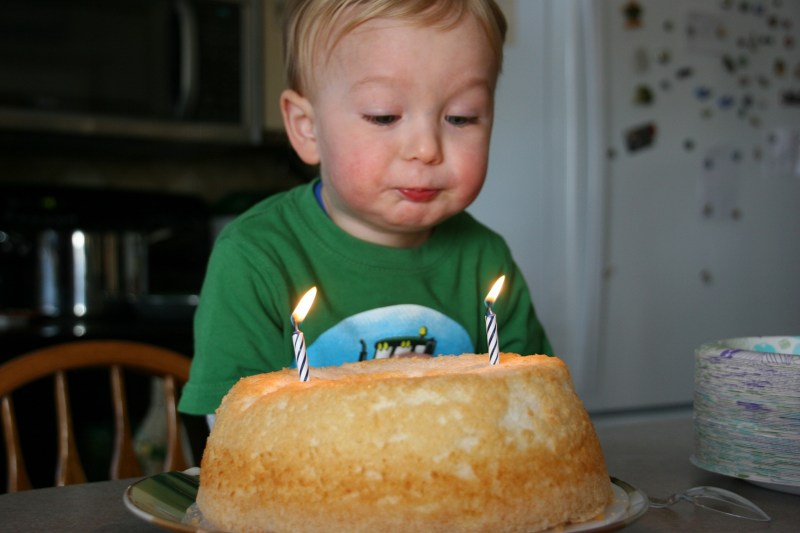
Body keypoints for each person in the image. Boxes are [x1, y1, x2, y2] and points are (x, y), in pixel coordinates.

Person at [178, 0, 552, 423]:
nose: (426, 149)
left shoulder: (486, 259)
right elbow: (235, 427)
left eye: (461, 118)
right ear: (307, 127)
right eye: (384, 115)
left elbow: (533, 405)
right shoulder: (254, 256)